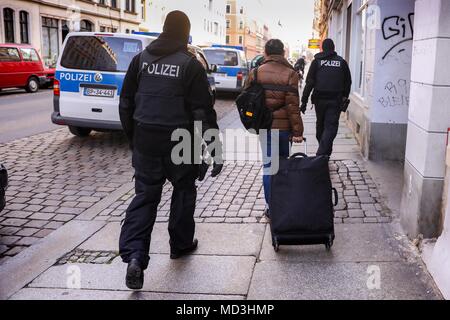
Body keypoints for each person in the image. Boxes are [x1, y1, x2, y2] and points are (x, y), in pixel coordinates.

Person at [118, 11, 222, 290]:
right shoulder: (190, 66)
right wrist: (215, 150)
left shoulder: (140, 61)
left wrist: (134, 138)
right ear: (184, 33)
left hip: (146, 139)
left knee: (145, 198)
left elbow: (125, 102)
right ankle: (180, 244)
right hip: (181, 141)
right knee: (184, 191)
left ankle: (135, 257)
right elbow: (203, 113)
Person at [245, 39, 304, 218]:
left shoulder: (255, 73)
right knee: (283, 165)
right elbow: (293, 107)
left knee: (270, 167)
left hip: (265, 127)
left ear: (266, 52)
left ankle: (272, 207)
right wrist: (298, 132)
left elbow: (247, 100)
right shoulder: (290, 74)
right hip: (284, 129)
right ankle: (284, 202)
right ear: (283, 53)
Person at [301, 38, 352, 156]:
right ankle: (325, 152)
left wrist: (304, 101)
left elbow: (309, 83)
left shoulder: (316, 62)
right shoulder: (342, 62)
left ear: (323, 48)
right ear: (333, 48)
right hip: (335, 100)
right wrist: (345, 96)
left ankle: (321, 155)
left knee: (322, 127)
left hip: (321, 101)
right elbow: (348, 82)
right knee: (329, 127)